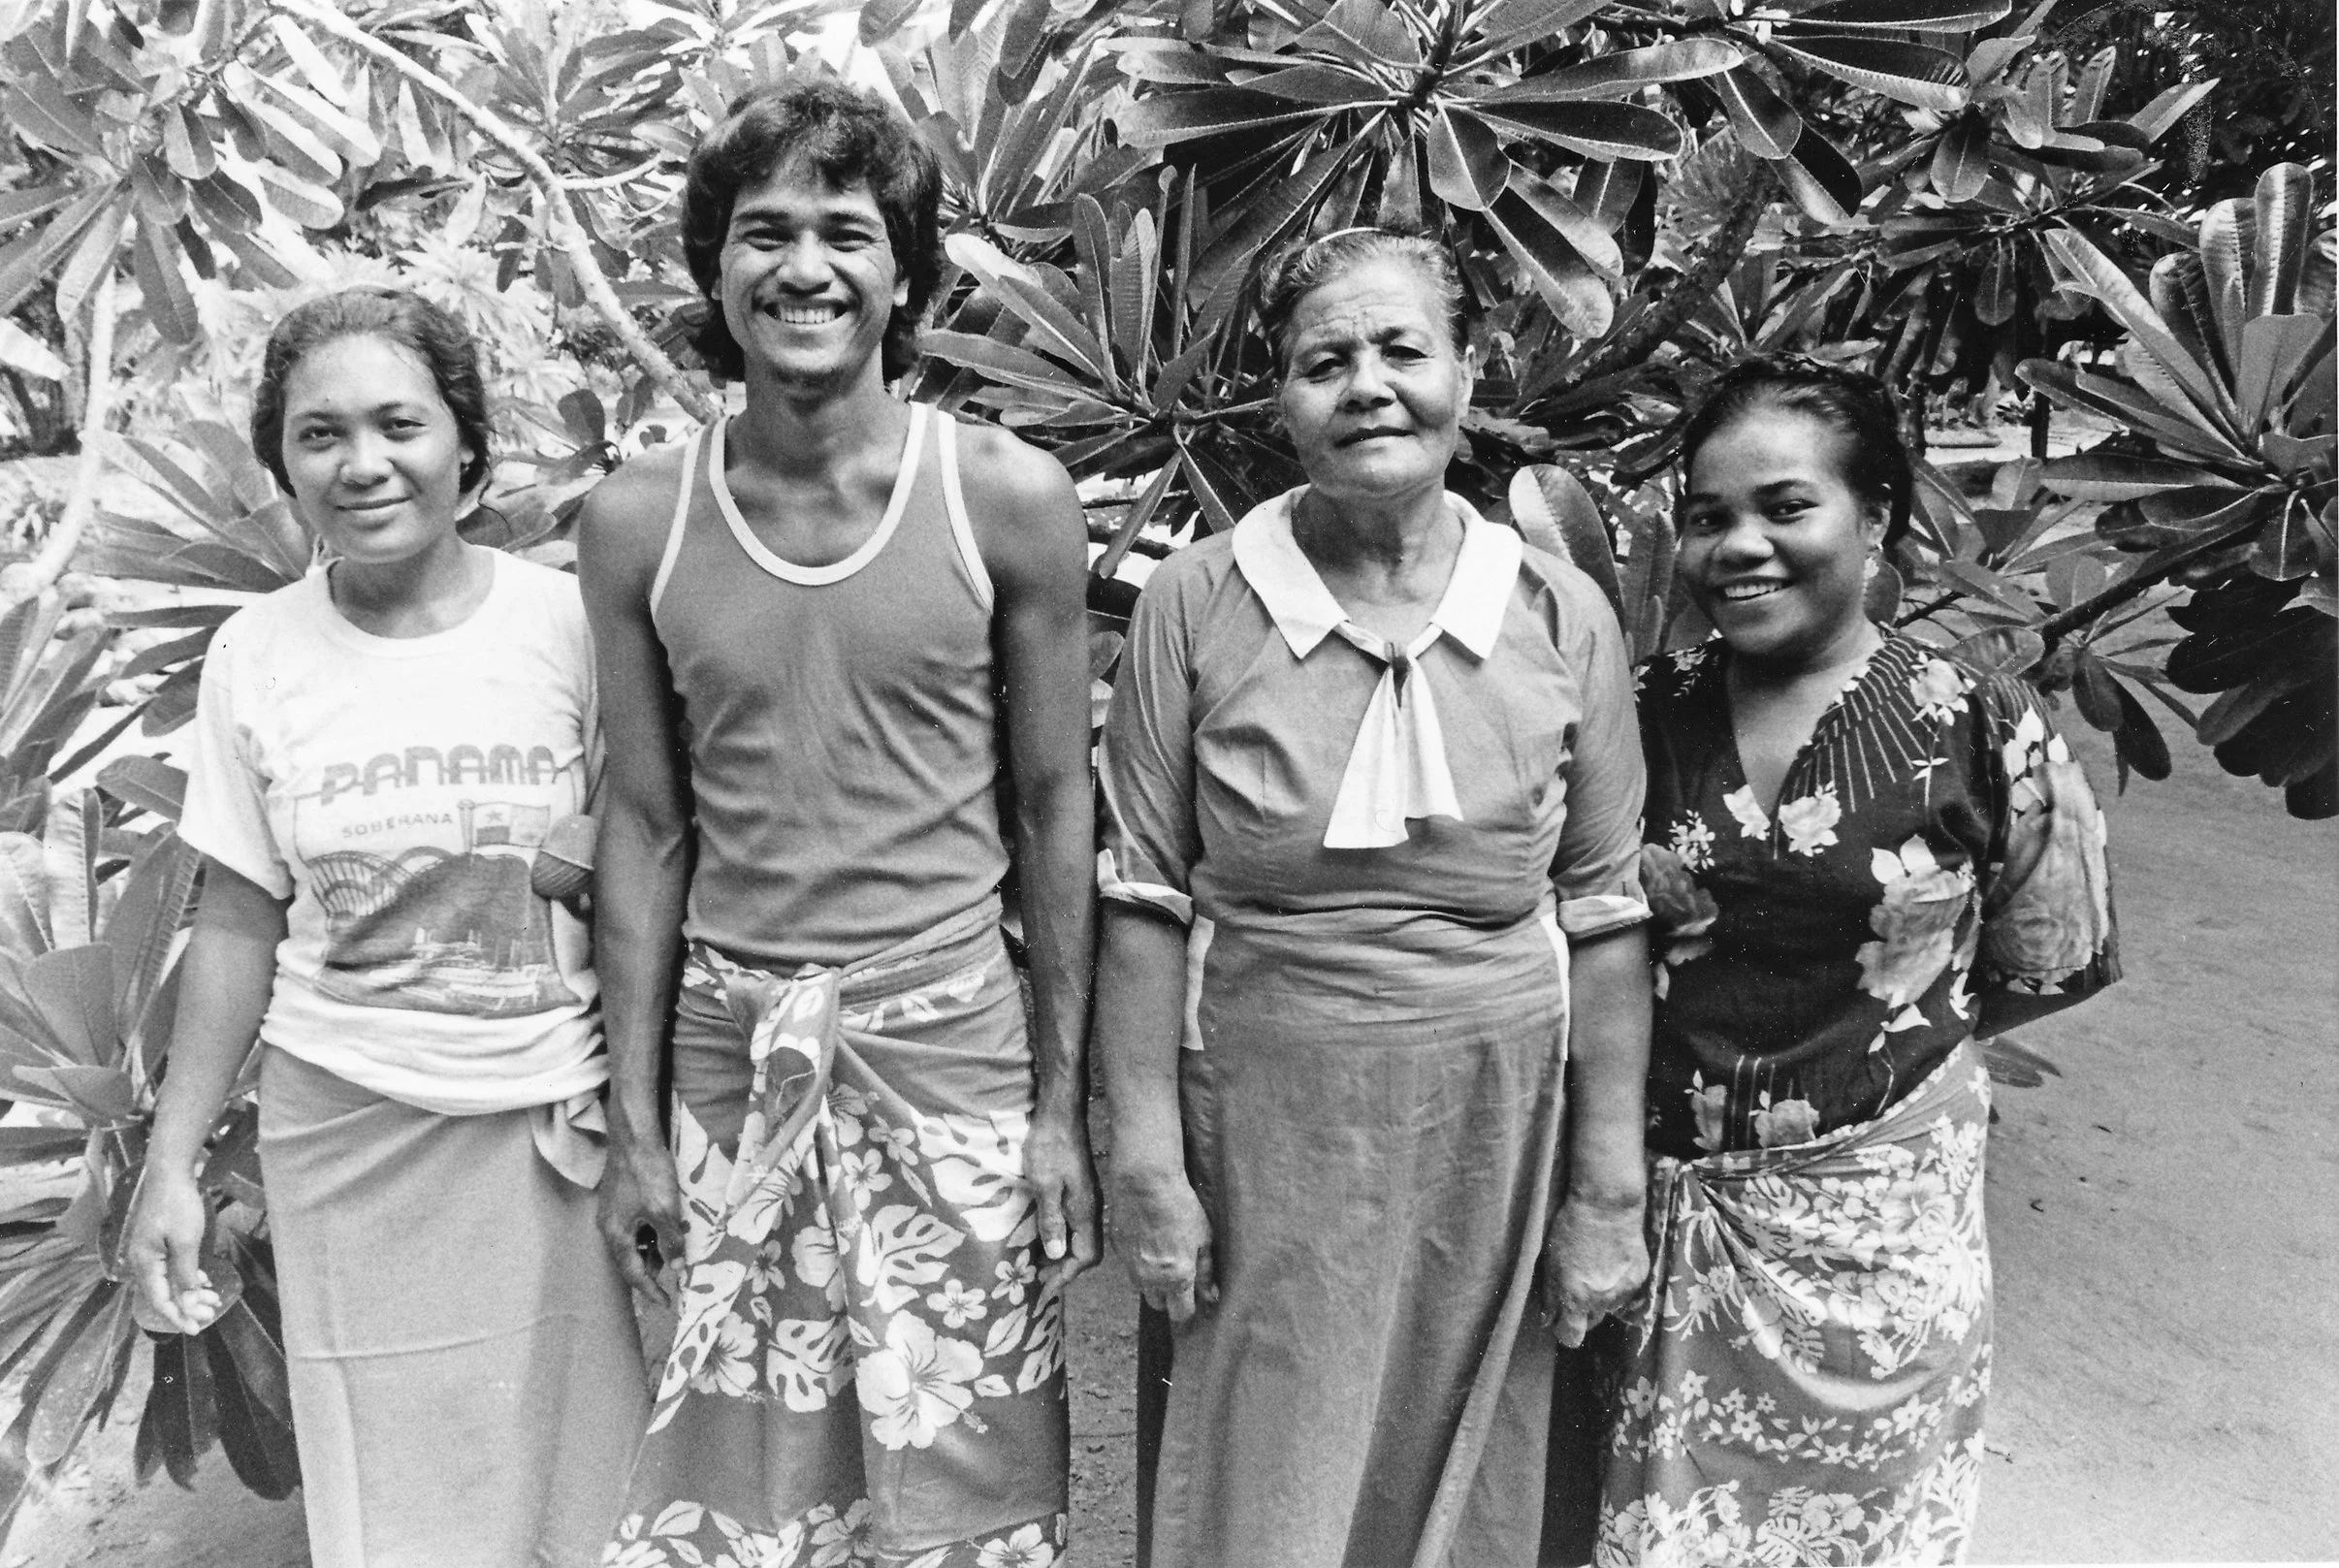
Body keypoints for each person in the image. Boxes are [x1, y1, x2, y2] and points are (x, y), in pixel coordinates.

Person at [579, 80, 1099, 1566]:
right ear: (714, 271)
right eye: (764, 234)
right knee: (744, 1491)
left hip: (951, 1053)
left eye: (845, 234)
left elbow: (1059, 807)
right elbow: (645, 825)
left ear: (904, 274)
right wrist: (633, 1132)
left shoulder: (1006, 498)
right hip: (731, 1064)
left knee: (973, 1478)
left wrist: (1060, 1115)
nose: (803, 268)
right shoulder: (637, 520)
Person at [1094, 225, 1656, 1568]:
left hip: (1494, 1127)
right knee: (1264, 1479)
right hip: (1268, 1131)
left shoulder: (1562, 612)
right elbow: (1140, 895)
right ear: (1278, 401)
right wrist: (1150, 1167)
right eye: (1322, 361)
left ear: (1469, 373)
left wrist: (1609, 1190)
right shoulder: (1195, 601)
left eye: (1403, 349)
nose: (1367, 387)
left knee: (1476, 1475)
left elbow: (1608, 907)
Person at [123, 287, 649, 1567]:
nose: (363, 464)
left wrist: (645, 1122)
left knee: (595, 1495)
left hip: (547, 1131)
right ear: (284, 465)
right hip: (346, 1134)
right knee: (395, 1505)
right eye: (319, 435)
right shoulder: (257, 654)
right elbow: (241, 914)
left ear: (466, 445)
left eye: (398, 424)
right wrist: (176, 1159)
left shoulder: (572, 626)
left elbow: (646, 874)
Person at [1589, 359, 2119, 1564]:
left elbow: (2048, 954)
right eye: (1709, 516)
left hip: (1885, 1247)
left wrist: (1854, 1089)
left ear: (1874, 518)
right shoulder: (1633, 714)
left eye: (1786, 507)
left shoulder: (1978, 724)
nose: (1740, 547)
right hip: (1655, 1227)